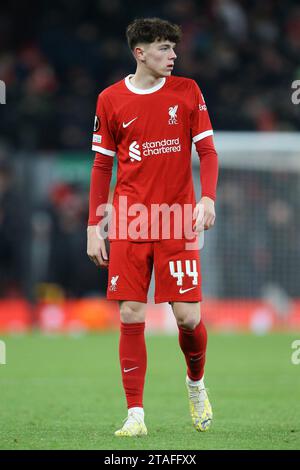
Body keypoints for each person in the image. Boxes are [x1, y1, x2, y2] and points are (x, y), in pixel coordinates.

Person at [87, 17, 218, 437]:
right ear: (139, 52)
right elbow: (101, 165)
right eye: (163, 48)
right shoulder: (110, 99)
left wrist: (208, 197)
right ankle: (135, 415)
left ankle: (195, 384)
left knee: (187, 318)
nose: (173, 55)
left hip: (176, 218)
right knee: (130, 311)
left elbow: (208, 151)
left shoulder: (188, 91)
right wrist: (95, 225)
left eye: (173, 48)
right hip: (128, 218)